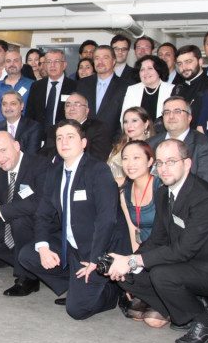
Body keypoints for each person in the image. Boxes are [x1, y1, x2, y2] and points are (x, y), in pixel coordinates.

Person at [106, 139, 208, 343]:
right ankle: (184, 309)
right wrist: (128, 261)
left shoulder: (205, 198)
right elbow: (158, 238)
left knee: (162, 275)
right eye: (160, 163)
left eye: (171, 162)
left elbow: (182, 251)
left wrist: (134, 261)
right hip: (186, 262)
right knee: (126, 277)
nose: (164, 168)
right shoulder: (163, 193)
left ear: (187, 164)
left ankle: (206, 323)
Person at [16, 120, 129, 318]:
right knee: (28, 255)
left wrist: (96, 259)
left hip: (99, 248)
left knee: (77, 311)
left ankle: (112, 291)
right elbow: (43, 213)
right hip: (71, 245)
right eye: (59, 138)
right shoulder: (54, 172)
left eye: (70, 137)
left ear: (83, 143)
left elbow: (107, 219)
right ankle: (76, 285)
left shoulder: (98, 170)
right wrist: (42, 246)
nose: (64, 142)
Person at [0, 131, 52, 296]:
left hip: (38, 224)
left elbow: (39, 202)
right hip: (11, 222)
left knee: (19, 221)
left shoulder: (40, 165)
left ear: (16, 146)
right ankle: (23, 261)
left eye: (3, 151)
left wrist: (0, 211)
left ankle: (28, 278)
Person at [149, 96, 208, 186]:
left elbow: (207, 186)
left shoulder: (204, 145)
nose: (171, 116)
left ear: (189, 118)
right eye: (166, 112)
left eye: (177, 112)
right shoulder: (151, 143)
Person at [75, 44, 131, 144]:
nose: (100, 62)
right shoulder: (82, 84)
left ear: (113, 61)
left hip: (113, 143)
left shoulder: (126, 86)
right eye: (97, 58)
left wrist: (117, 143)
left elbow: (126, 118)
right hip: (84, 143)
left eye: (105, 58)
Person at [44, 92, 110, 162]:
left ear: (87, 110)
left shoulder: (98, 128)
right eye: (68, 105)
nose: (72, 108)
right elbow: (45, 154)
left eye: (77, 104)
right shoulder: (55, 129)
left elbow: (97, 158)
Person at [118, 141, 159, 249]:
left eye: (136, 157)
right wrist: (135, 261)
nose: (130, 164)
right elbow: (133, 231)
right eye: (125, 158)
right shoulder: (124, 192)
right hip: (142, 253)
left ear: (150, 161)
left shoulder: (161, 187)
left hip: (164, 252)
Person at [26, 48, 76, 131]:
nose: (52, 65)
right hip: (39, 136)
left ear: (64, 65)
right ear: (45, 65)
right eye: (49, 62)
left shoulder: (74, 86)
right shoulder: (36, 86)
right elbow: (30, 114)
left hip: (64, 134)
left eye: (56, 61)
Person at [0, 48, 33, 130]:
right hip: (1, 133)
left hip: (25, 132)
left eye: (16, 60)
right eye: (8, 61)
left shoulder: (32, 85)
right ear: (4, 65)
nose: (12, 64)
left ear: (22, 64)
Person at [106, 106, 155, 185]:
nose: (129, 125)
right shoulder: (117, 148)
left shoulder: (154, 147)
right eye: (125, 122)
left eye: (134, 121)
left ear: (146, 124)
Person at [120, 55, 174, 124]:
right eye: (142, 69)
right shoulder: (132, 89)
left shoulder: (171, 89)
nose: (146, 72)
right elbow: (124, 117)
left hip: (162, 132)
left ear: (159, 70)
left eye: (150, 68)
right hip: (136, 132)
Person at [0, 90, 41, 156]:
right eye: (4, 104)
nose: (8, 108)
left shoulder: (33, 127)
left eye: (13, 104)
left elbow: (31, 156)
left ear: (21, 106)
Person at [172, 44, 208, 122]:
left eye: (188, 62)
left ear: (200, 62)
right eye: (180, 64)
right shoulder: (177, 88)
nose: (184, 67)